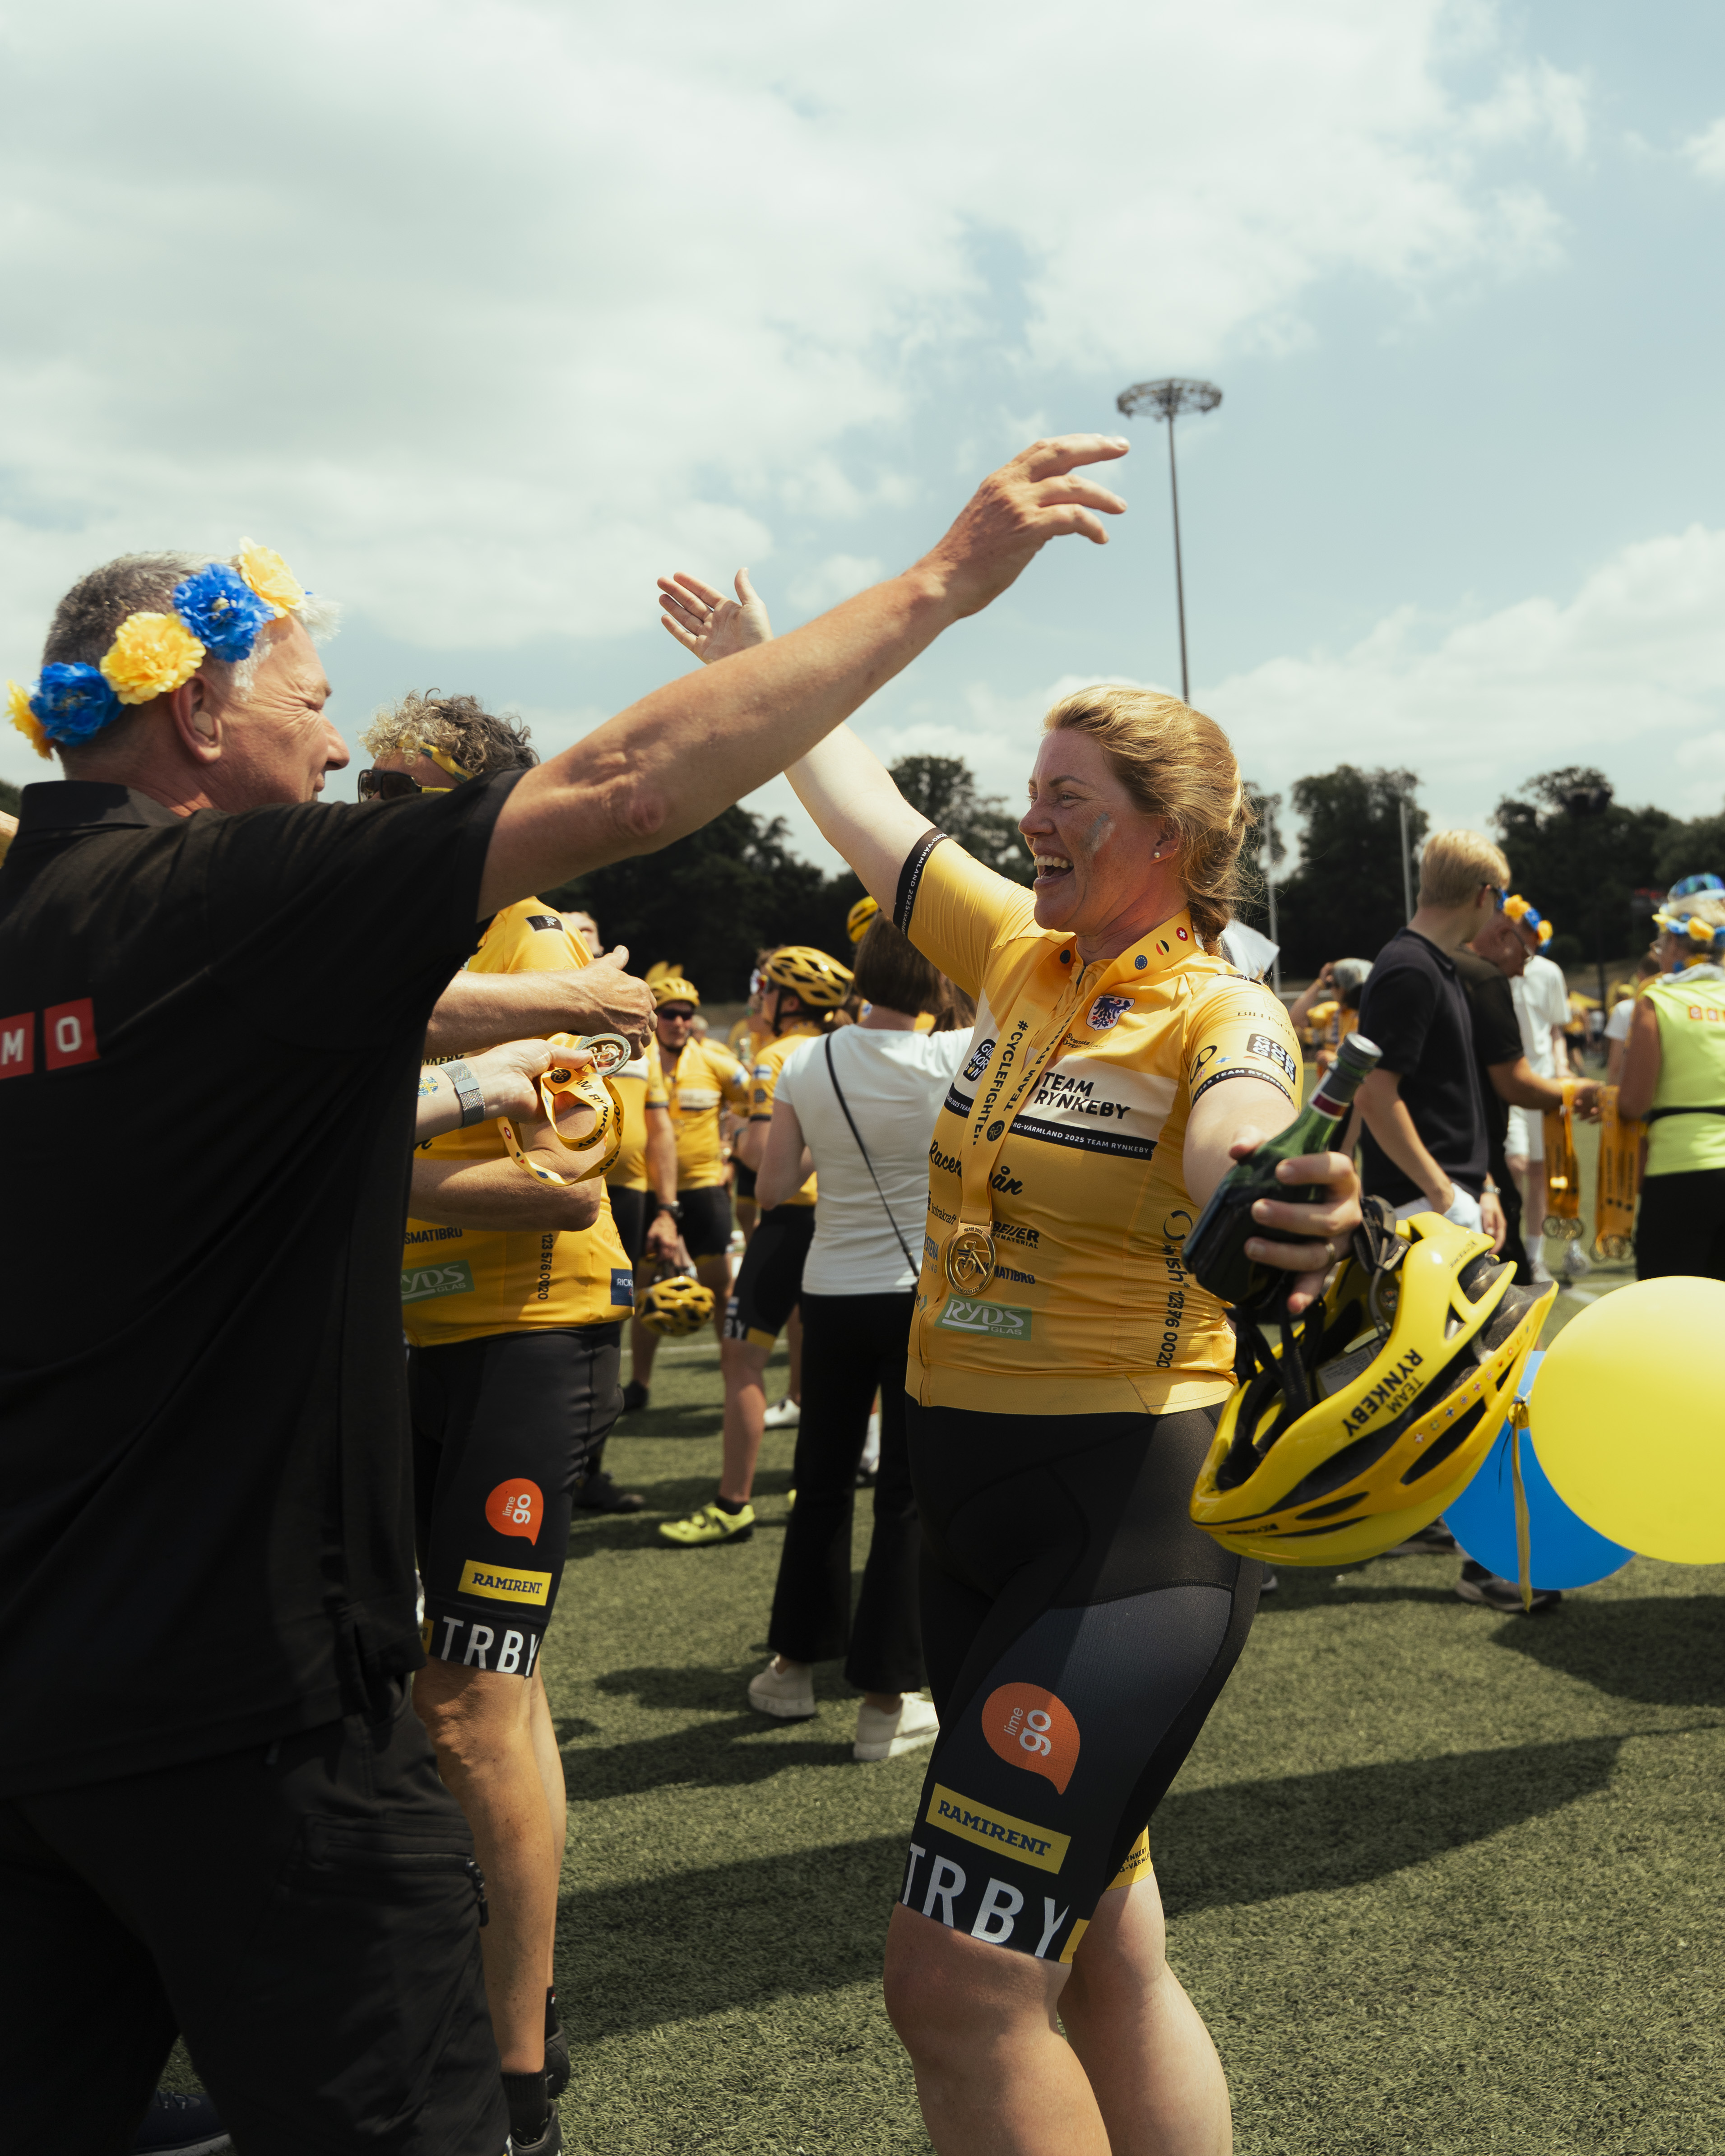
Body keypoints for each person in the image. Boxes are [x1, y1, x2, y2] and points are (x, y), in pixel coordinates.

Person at [1, 433, 1131, 2154]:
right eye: (314, 702)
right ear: (200, 715)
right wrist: (940, 581)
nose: (335, 748)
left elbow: (261, 1030)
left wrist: (534, 1014)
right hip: (254, 1712)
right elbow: (625, 785)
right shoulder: (232, 890)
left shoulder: (41, 916)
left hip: (33, 1702)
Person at [659, 583, 1358, 2147]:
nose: (1029, 817)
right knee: (1107, 1948)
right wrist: (759, 670)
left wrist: (1281, 1191)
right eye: (1029, 788)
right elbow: (860, 801)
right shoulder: (1019, 953)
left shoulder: (1221, 1009)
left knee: (957, 1981)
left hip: (1123, 1526)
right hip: (965, 1510)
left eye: (1068, 796)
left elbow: (1242, 1129)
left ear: (1167, 833)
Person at [745, 917, 964, 1762]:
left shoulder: (806, 1060)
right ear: (935, 983)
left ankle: (791, 1670)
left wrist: (828, 1142)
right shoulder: (951, 1056)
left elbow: (772, 1187)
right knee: (904, 1495)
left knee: (820, 1482)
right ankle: (884, 1702)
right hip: (917, 1294)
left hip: (830, 1290)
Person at [657, 942, 855, 1545]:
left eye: (767, 988)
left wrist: (738, 1129)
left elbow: (760, 1156)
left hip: (789, 1219)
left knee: (741, 1360)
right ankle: (810, 1485)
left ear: (789, 1001)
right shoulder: (847, 1047)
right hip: (843, 1218)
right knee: (824, 1362)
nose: (759, 997)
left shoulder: (775, 1056)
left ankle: (732, 1504)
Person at [1354, 832, 1509, 1235]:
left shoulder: (1432, 965)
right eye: (1500, 899)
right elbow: (1373, 1093)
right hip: (1422, 1201)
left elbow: (1450, 1095)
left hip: (1442, 1195)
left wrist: (1484, 1185)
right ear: (1484, 895)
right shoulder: (1411, 969)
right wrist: (1444, 1195)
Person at [623, 973, 750, 1413]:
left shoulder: (715, 1059)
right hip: (650, 1192)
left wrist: (732, 1155)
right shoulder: (634, 1061)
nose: (679, 1022)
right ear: (653, 1017)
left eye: (687, 1015)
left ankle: (734, 1379)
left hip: (704, 1191)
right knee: (643, 1288)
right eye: (670, 1014)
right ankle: (638, 1384)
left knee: (721, 1287)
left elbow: (756, 1102)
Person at [1618, 891, 1725, 1280]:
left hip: (1679, 1172)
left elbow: (1634, 1102)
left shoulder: (1656, 1000)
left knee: (1669, 1305)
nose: (1659, 951)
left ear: (1679, 945)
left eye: (1662, 941)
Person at [1499, 895, 1572, 1283]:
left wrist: (1562, 1066)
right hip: (1506, 1081)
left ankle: (1534, 1255)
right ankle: (1507, 1247)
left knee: (1541, 1172)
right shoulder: (1496, 968)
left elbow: (1556, 1029)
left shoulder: (1549, 972)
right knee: (1515, 1164)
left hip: (1543, 1081)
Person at [1605, 952, 1661, 1085]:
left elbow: (1616, 1063)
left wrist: (1611, 1090)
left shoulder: (1622, 1009)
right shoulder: (1676, 1004)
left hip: (1634, 1084)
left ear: (1639, 976)